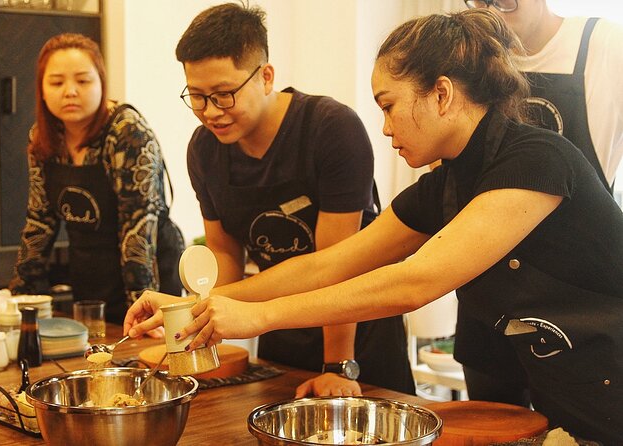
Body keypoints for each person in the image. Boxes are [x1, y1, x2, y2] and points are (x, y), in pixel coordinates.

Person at [125, 9, 623, 443]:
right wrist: (199, 307)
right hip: (573, 396)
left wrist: (260, 316)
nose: (384, 127)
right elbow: (328, 265)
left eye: (388, 105)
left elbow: (414, 282)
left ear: (442, 94)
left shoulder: (536, 159)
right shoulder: (444, 187)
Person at [172, 2, 414, 398]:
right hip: (278, 327)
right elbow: (224, 253)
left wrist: (338, 367)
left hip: (357, 331)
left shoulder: (330, 130)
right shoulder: (204, 150)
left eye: (223, 95)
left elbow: (338, 265)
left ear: (265, 77)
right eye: (197, 96)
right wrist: (206, 331)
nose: (210, 112)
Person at [458, 0, 623, 408]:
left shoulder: (602, 45)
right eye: (478, 1)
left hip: (577, 308)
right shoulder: (470, 55)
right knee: (491, 428)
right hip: (488, 295)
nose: (492, 10)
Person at [9, 33, 185, 325]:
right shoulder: (43, 137)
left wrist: (142, 307)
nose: (70, 91)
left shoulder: (127, 133)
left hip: (146, 275)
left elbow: (137, 228)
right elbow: (40, 219)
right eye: (56, 82)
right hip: (89, 275)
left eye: (83, 80)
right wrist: (19, 296)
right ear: (41, 89)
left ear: (102, 83)